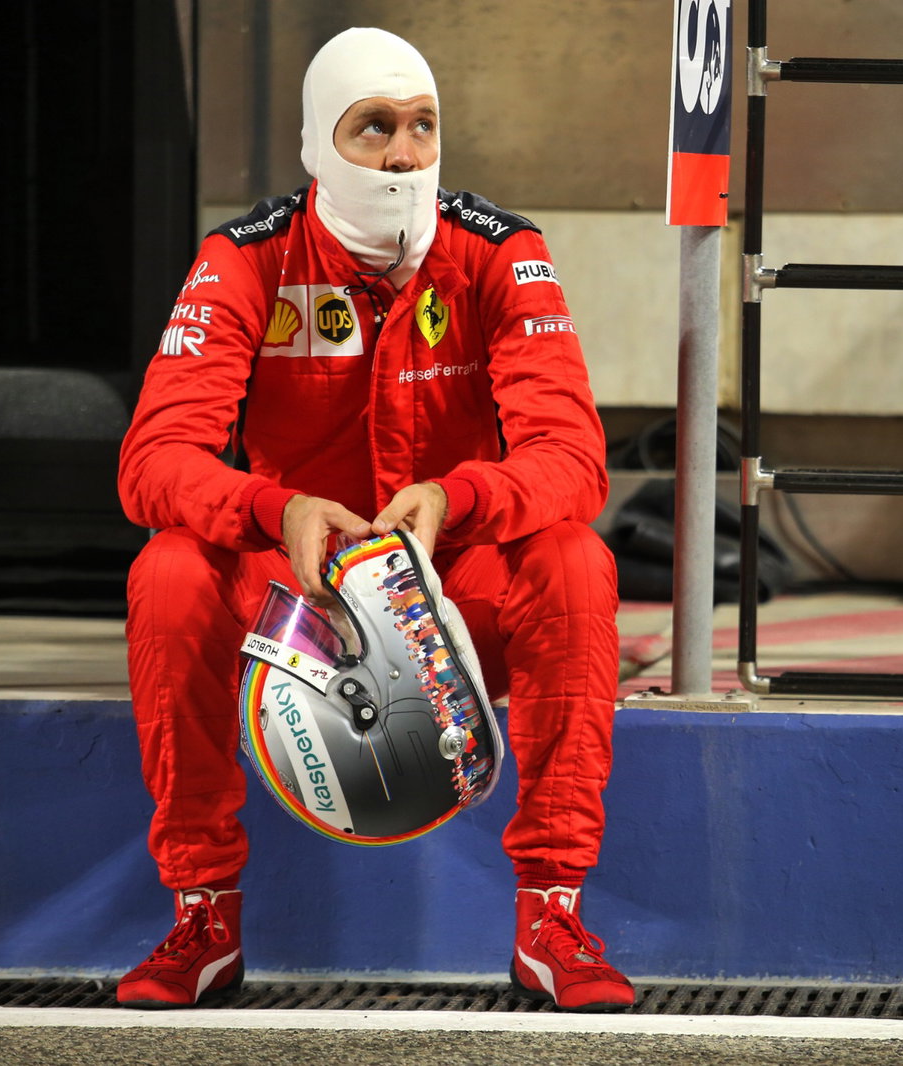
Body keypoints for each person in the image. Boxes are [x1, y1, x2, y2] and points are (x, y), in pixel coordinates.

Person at [114, 26, 631, 1012]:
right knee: (171, 571)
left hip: (451, 582)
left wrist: (456, 498)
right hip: (297, 592)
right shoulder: (244, 260)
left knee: (574, 560)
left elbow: (572, 458)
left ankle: (551, 914)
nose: (403, 153)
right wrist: (276, 508)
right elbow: (155, 463)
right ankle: (203, 916)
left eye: (423, 127)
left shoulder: (502, 253)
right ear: (318, 145)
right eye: (374, 128)